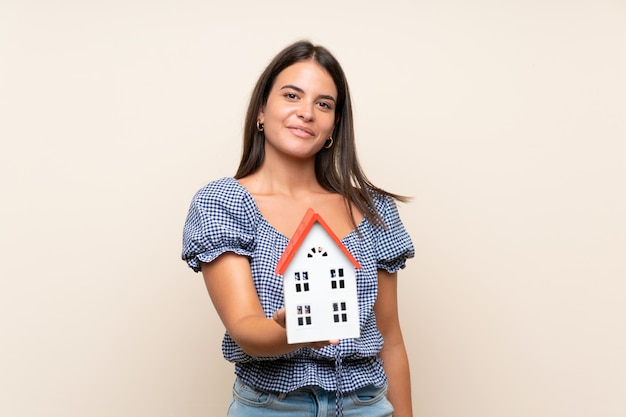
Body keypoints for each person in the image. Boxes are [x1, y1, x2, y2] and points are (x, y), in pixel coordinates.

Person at [182, 40, 415, 417]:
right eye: (292, 95)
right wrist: (294, 331)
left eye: (323, 104)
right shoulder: (223, 203)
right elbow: (246, 328)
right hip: (272, 408)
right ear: (262, 110)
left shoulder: (373, 209)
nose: (306, 112)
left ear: (334, 126)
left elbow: (390, 340)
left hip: (367, 406)